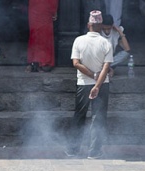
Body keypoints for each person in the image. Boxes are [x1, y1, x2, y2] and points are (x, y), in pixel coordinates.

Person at [65, 10, 112, 159]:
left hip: (83, 83)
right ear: (100, 26)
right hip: (102, 85)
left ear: (88, 25)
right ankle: (94, 151)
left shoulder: (79, 40)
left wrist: (92, 76)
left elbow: (76, 63)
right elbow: (106, 68)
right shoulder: (106, 43)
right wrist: (97, 84)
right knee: (98, 118)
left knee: (79, 115)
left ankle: (73, 150)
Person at [27, 0, 58, 72]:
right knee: (44, 35)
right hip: (45, 7)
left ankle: (34, 61)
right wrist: (54, 11)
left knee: (35, 34)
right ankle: (43, 62)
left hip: (35, 7)